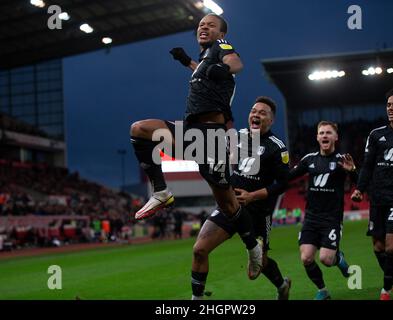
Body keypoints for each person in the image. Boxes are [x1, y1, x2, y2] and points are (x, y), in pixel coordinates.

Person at [129, 13, 262, 280]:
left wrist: (223, 68)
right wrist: (187, 61)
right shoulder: (204, 59)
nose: (203, 27)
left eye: (210, 25)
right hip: (191, 132)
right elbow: (205, 71)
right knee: (140, 130)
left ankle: (253, 247)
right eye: (201, 24)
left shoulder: (222, 48)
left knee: (228, 205)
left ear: (221, 33)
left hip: (211, 137)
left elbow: (236, 65)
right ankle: (161, 191)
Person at [191, 96, 291, 300]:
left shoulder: (277, 147)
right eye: (253, 111)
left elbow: (283, 184)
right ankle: (197, 300)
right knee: (200, 250)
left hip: (258, 213)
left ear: (270, 121)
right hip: (230, 206)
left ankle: (282, 286)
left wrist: (253, 196)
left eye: (262, 113)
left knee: (258, 268)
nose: (256, 114)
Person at [351, 88, 393, 300]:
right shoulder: (376, 135)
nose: (391, 108)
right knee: (378, 247)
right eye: (388, 105)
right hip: (377, 197)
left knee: (392, 246)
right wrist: (359, 188)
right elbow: (367, 166)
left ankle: (385, 291)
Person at [289, 121, 355, 300]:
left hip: (331, 219)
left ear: (335, 137)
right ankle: (323, 290)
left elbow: (360, 183)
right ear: (317, 137)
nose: (324, 135)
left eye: (328, 132)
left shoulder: (342, 160)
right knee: (306, 258)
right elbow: (287, 177)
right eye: (321, 133)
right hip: (311, 218)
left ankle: (338, 258)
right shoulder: (309, 159)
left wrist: (353, 172)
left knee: (326, 259)